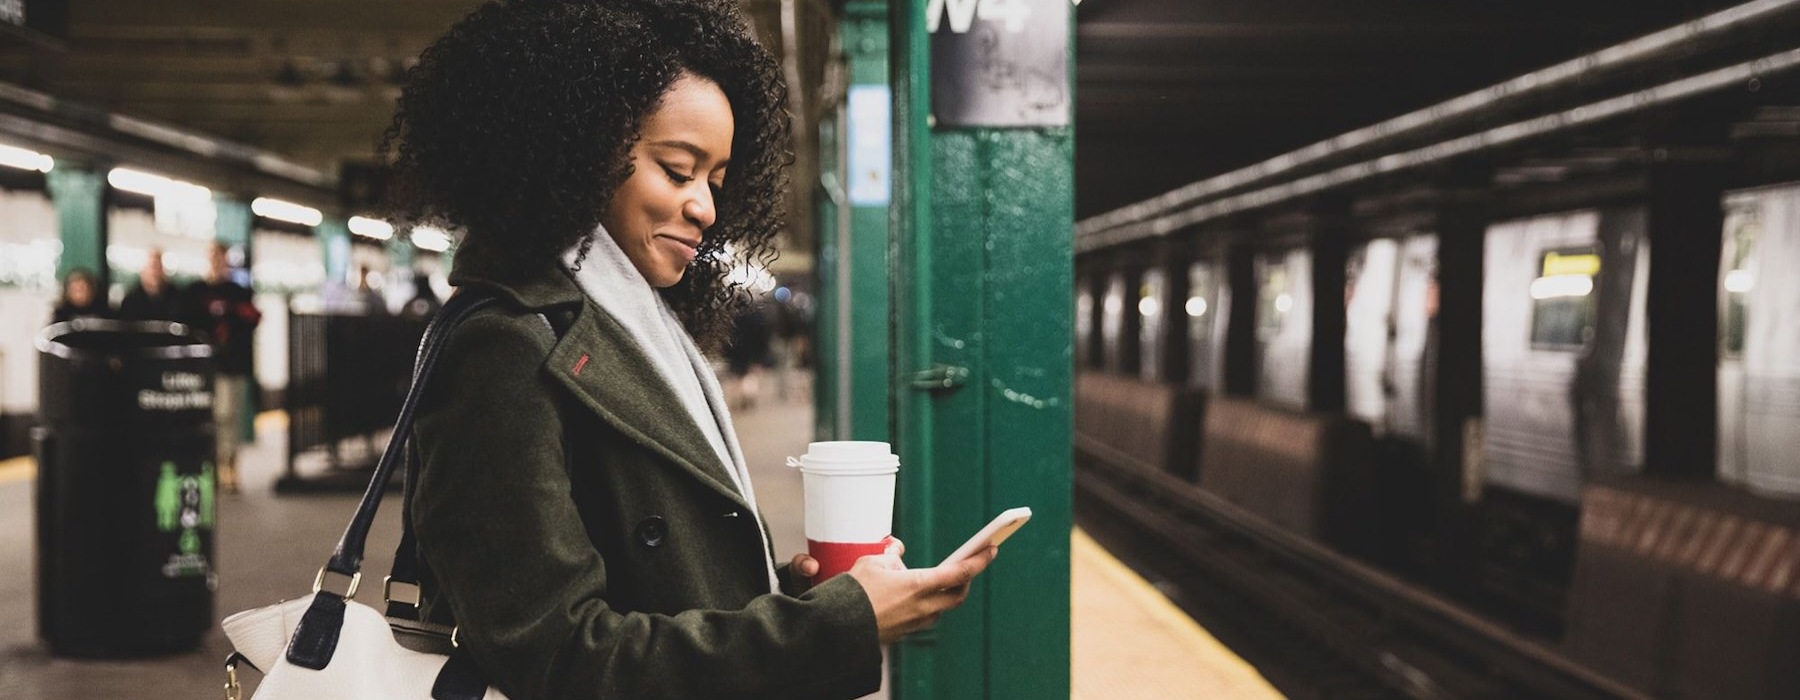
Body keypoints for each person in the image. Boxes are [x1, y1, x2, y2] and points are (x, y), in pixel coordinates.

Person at [385, 1, 996, 698]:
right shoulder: (506, 346)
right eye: (677, 170)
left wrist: (797, 600)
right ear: (579, 149)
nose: (705, 207)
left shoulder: (641, 326)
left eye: (716, 181)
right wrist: (832, 627)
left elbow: (665, 584)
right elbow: (557, 658)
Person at [185, 242, 261, 492]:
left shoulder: (238, 292)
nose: (216, 262)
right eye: (212, 257)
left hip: (232, 365)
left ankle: (230, 465)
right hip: (206, 365)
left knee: (230, 416)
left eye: (220, 257)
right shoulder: (196, 292)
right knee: (213, 417)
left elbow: (253, 318)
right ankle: (215, 465)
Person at [119, 248, 184, 321]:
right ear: (143, 270)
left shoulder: (175, 297)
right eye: (152, 267)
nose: (154, 272)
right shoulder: (132, 299)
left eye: (158, 267)